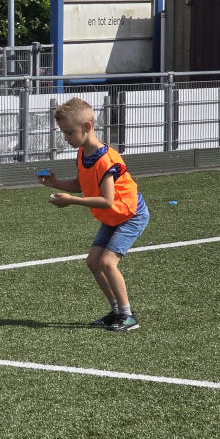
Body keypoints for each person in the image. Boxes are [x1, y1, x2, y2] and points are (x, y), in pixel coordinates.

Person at [38, 97, 149, 331]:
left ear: (87, 127)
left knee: (107, 262)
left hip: (130, 215)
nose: (66, 138)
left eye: (69, 133)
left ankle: (128, 316)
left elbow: (107, 201)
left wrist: (71, 201)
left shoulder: (106, 161)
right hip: (112, 216)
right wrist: (56, 183)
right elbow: (81, 185)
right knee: (93, 262)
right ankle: (116, 312)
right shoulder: (82, 153)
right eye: (64, 133)